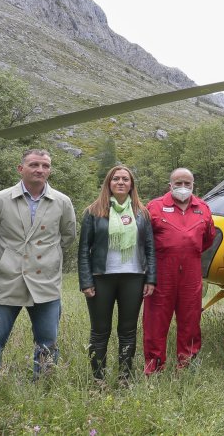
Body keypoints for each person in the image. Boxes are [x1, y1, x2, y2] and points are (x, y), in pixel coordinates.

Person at [0, 149, 77, 401]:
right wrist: (2, 261)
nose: (40, 169)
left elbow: (67, 236)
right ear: (21, 169)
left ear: (50, 170)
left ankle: (44, 398)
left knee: (47, 346)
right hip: (5, 283)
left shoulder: (62, 201)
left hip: (46, 285)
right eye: (33, 164)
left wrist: (47, 259)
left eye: (45, 165)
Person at [78, 165, 156, 385]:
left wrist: (151, 278)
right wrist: (86, 280)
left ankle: (124, 376)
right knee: (100, 331)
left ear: (131, 184)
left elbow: (150, 248)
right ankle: (98, 378)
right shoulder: (93, 212)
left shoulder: (142, 213)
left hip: (133, 276)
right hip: (102, 277)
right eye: (116, 179)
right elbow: (84, 249)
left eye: (125, 179)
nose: (121, 182)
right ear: (108, 183)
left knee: (128, 330)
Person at [143, 168, 216, 374]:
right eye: (178, 184)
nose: (183, 188)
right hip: (161, 273)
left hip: (191, 273)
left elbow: (208, 239)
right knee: (155, 322)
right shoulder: (154, 207)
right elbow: (145, 241)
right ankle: (154, 368)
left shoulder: (203, 208)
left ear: (193, 186)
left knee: (190, 320)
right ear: (170, 186)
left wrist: (187, 250)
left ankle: (187, 366)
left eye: (187, 184)